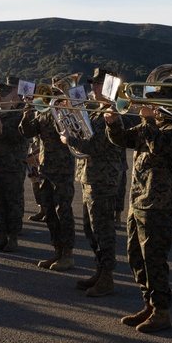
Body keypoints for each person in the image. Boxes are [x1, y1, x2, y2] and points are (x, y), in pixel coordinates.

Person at [103, 67, 172, 332]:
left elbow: (159, 146)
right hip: (138, 199)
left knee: (154, 259)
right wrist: (112, 121)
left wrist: (149, 120)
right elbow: (122, 139)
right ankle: (149, 304)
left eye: (158, 100)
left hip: (160, 203)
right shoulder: (151, 125)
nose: (151, 103)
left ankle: (162, 311)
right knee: (135, 257)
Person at [61, 68, 125, 297]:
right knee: (90, 229)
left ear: (109, 87)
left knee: (103, 230)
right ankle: (99, 270)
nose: (93, 88)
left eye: (98, 84)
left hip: (103, 180)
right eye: (93, 84)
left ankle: (107, 277)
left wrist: (71, 140)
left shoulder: (113, 112)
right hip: (89, 177)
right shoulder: (97, 112)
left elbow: (97, 147)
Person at [20, 87, 76, 271]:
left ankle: (68, 254)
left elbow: (77, 134)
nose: (52, 101)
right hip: (45, 170)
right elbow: (28, 133)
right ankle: (57, 251)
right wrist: (26, 117)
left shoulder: (68, 115)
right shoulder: (43, 115)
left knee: (64, 213)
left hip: (63, 171)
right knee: (50, 213)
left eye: (56, 98)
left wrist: (64, 112)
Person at [0, 78, 28, 252]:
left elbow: (20, 138)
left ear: (12, 96)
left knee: (13, 204)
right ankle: (1, 237)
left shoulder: (20, 115)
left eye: (3, 94)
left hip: (13, 167)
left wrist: (2, 128)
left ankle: (13, 238)